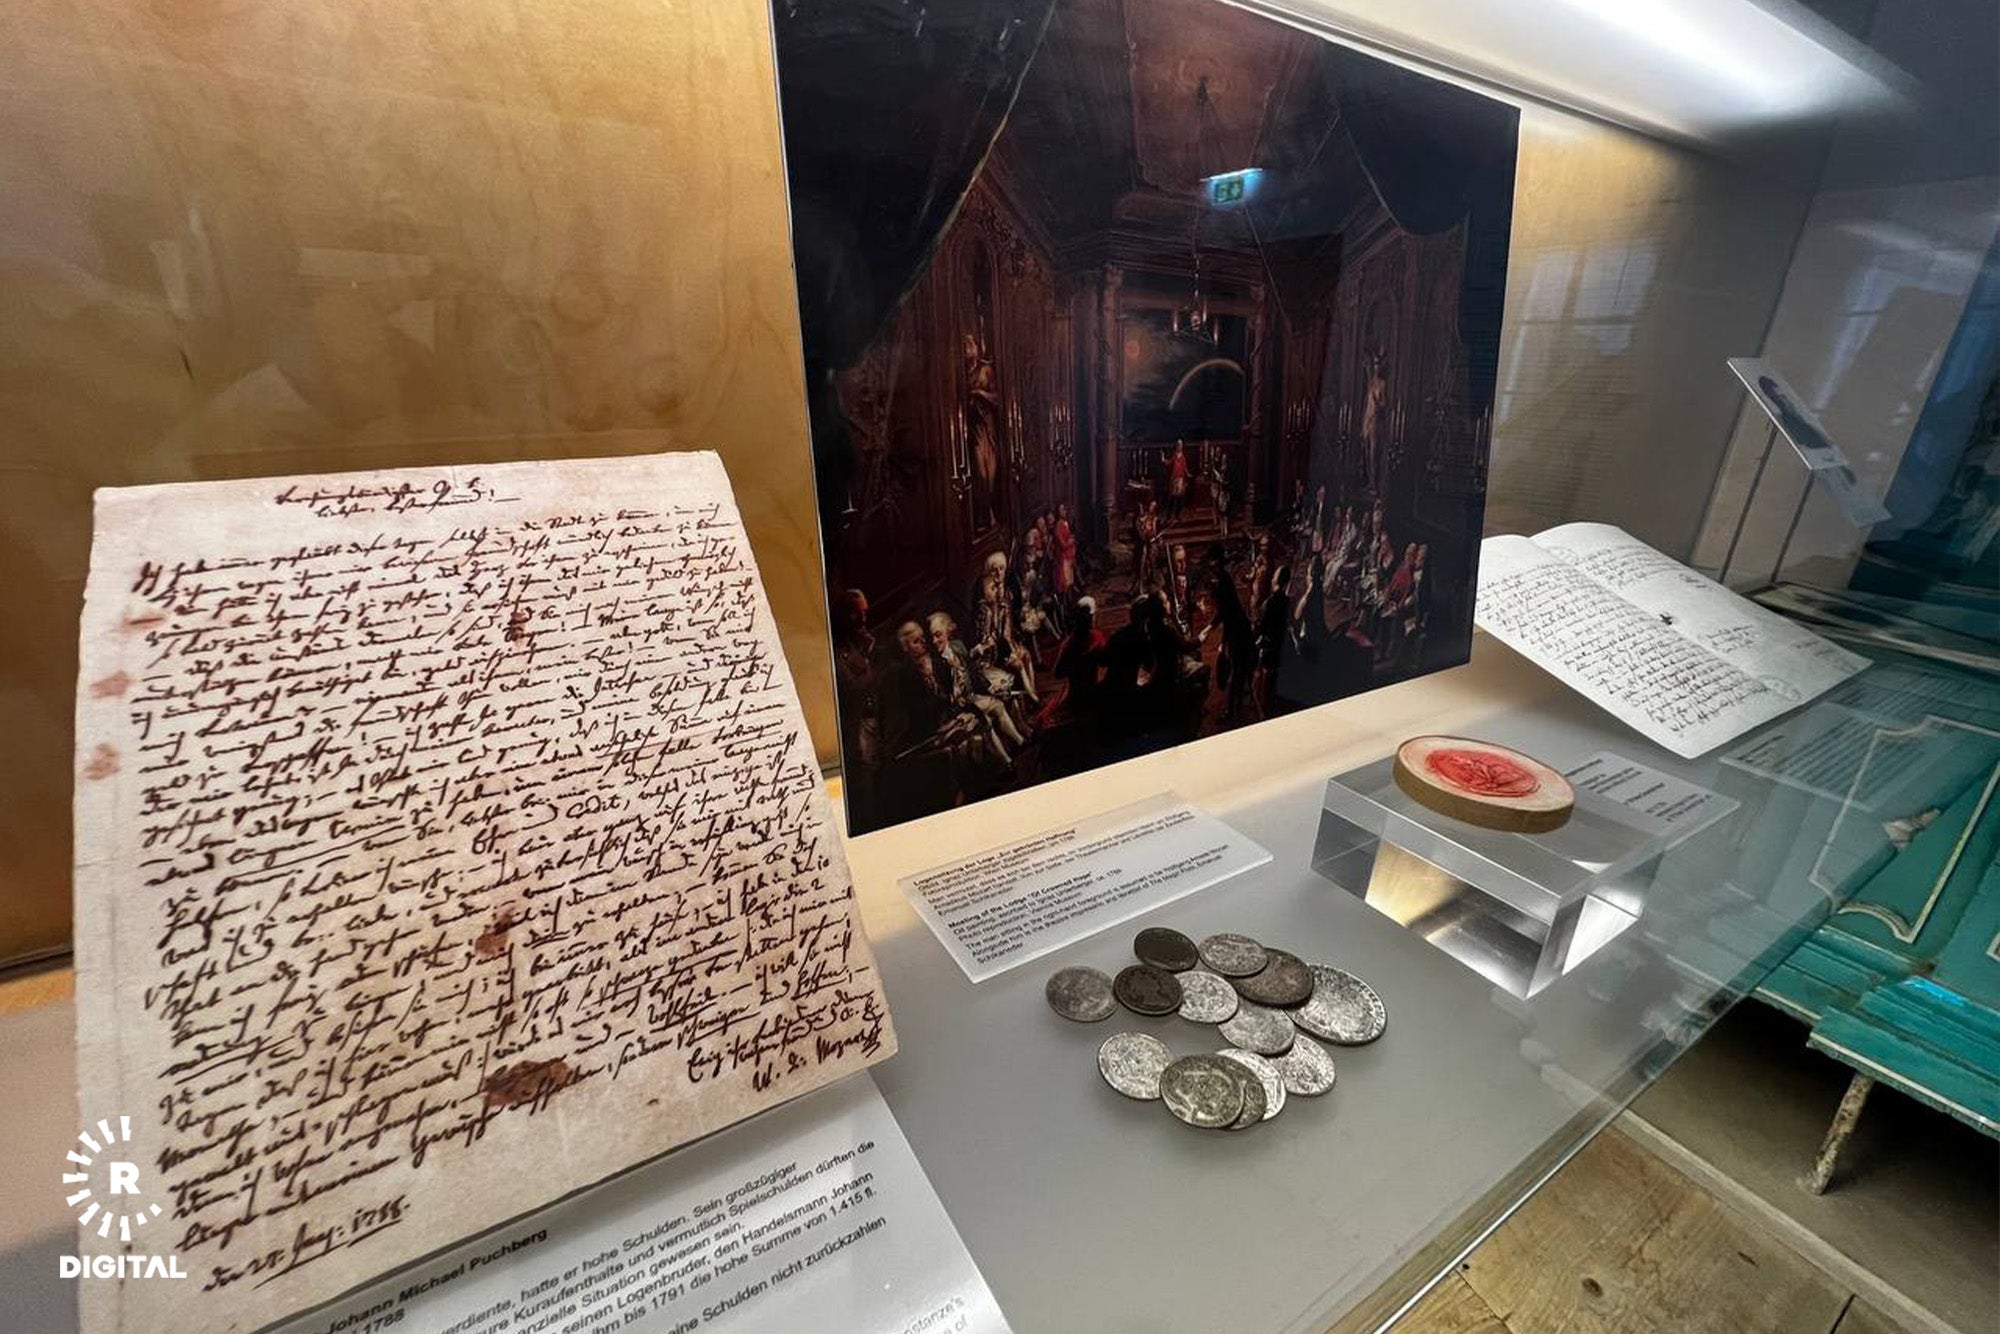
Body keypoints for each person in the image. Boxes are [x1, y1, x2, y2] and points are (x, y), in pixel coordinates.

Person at [928, 611, 1025, 765]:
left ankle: (1021, 742)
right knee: (984, 719)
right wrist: (956, 699)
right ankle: (1007, 762)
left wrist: (989, 688)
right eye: (932, 637)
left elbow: (973, 673)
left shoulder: (958, 646)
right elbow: (945, 696)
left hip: (972, 696)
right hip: (959, 707)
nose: (934, 641)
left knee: (998, 705)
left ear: (949, 631)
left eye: (938, 635)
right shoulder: (938, 664)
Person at [972, 550, 1038, 702]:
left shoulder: (1005, 595)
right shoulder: (985, 607)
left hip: (1006, 642)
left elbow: (1008, 625)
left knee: (1026, 655)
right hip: (994, 651)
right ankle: (1031, 697)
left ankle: (1032, 692)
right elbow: (988, 635)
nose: (998, 573)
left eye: (1001, 569)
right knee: (1018, 665)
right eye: (994, 570)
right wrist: (1007, 649)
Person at [1054, 595, 1106, 721]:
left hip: (1076, 696)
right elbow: (1104, 661)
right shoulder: (1097, 637)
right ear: (1091, 619)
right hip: (1093, 693)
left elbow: (1058, 673)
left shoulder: (1068, 644)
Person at [1253, 562, 1291, 719]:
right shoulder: (1287, 601)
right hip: (1279, 645)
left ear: (1276, 580)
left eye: (1274, 576)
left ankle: (1262, 709)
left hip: (1269, 646)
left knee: (1262, 674)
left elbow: (1261, 628)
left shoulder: (1269, 602)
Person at [1052, 503, 1078, 599]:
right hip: (1064, 557)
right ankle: (1064, 602)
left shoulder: (1065, 523)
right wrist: (1070, 541)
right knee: (1065, 582)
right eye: (1061, 510)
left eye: (1064, 509)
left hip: (1069, 555)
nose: (1064, 512)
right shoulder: (1058, 526)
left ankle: (1070, 600)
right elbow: (1062, 544)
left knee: (1070, 581)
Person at [1167, 439, 1191, 524]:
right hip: (1174, 479)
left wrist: (1187, 474)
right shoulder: (1174, 455)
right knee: (1173, 498)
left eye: (1181, 445)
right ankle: (1169, 516)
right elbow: (1169, 462)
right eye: (1178, 445)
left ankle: (1178, 515)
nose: (1180, 447)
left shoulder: (1183, 457)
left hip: (1181, 479)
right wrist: (1164, 460)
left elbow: (1185, 467)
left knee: (1180, 498)